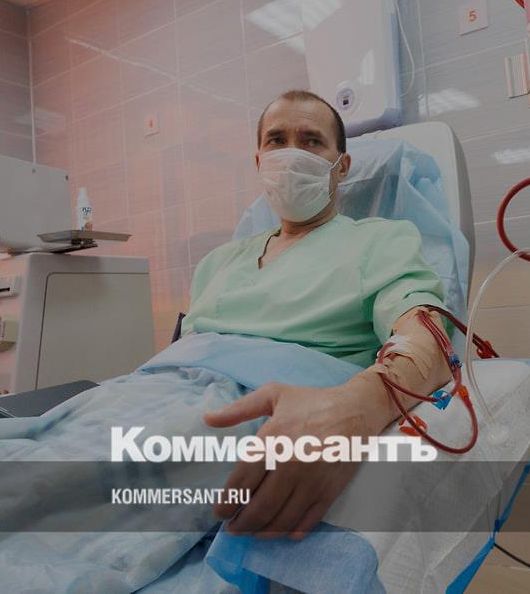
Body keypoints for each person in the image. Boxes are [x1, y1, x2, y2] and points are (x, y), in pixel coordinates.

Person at [182, 89, 455, 539]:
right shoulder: (217, 263)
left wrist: (354, 411)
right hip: (163, 398)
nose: (292, 155)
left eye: (311, 141)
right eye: (277, 140)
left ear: (341, 166)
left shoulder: (378, 242)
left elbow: (427, 342)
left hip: (252, 417)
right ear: (259, 161)